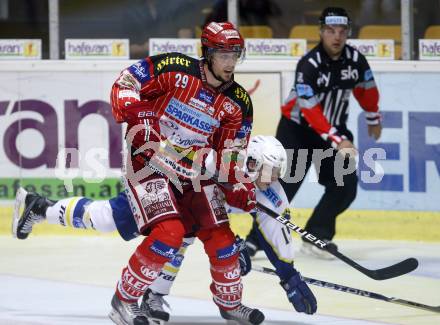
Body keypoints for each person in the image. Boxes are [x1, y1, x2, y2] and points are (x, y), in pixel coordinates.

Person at [13, 135, 317, 324]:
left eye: (276, 172)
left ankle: (154, 296)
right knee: (107, 218)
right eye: (266, 170)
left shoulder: (270, 189)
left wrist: (288, 275)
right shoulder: (216, 159)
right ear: (248, 162)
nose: (271, 178)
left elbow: (276, 230)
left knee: (183, 235)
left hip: (191, 207)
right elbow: (171, 163)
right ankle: (41, 207)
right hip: (163, 186)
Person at [248, 7, 382, 260]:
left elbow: (368, 89)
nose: (337, 37)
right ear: (321, 32)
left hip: (330, 132)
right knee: (283, 187)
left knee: (345, 186)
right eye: (331, 31)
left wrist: (373, 116)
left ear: (348, 33)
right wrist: (339, 139)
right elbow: (310, 111)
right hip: (297, 131)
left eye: (342, 31)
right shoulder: (308, 65)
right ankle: (255, 241)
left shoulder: (355, 60)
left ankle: (317, 236)